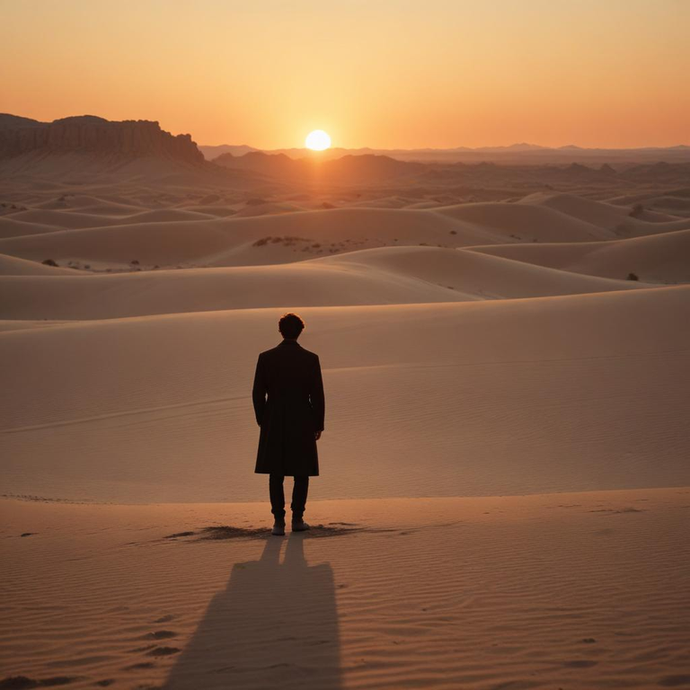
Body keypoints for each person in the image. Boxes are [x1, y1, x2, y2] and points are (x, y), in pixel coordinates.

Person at [252, 313, 325, 536]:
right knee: (301, 471)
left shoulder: (266, 358)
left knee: (276, 472)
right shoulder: (310, 359)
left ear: (281, 330)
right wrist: (317, 424)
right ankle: (298, 519)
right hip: (302, 418)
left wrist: (263, 419)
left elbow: (257, 393)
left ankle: (278, 522)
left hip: (274, 419)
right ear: (300, 331)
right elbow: (317, 395)